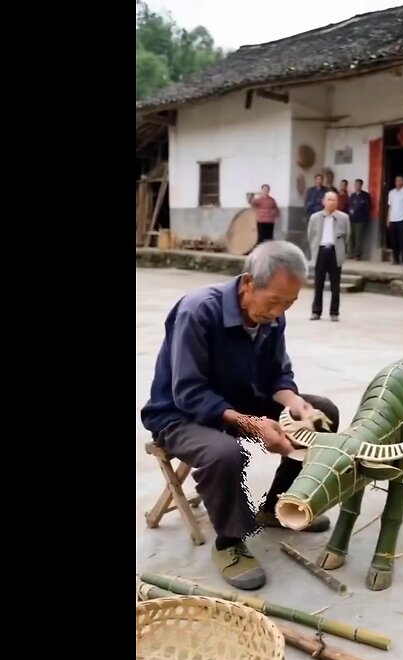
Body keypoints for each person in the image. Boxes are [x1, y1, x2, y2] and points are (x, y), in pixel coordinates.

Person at [140, 240, 339, 591]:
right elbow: (188, 392)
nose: (278, 312)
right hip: (179, 414)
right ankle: (229, 543)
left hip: (241, 400)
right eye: (273, 301)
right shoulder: (197, 311)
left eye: (289, 303)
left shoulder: (273, 319)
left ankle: (277, 506)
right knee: (225, 453)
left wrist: (294, 402)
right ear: (247, 283)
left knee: (322, 413)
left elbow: (277, 375)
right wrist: (251, 423)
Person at [308, 191, 349, 322]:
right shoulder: (315, 217)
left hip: (334, 251)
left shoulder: (343, 218)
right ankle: (316, 311)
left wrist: (342, 250)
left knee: (335, 285)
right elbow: (311, 235)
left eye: (334, 200)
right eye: (329, 200)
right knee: (318, 283)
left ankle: (334, 312)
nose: (331, 202)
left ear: (337, 202)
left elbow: (347, 237)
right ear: (323, 202)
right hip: (320, 251)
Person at [385, 175, 403, 265]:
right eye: (396, 180)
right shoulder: (391, 192)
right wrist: (388, 219)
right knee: (393, 241)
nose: (398, 182)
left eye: (400, 180)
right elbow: (390, 207)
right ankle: (395, 259)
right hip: (393, 219)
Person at [348, 179, 372, 260]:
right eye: (355, 184)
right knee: (352, 237)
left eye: (358, 184)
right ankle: (351, 253)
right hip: (352, 219)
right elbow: (349, 205)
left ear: (361, 185)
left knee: (359, 238)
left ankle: (357, 255)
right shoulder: (352, 196)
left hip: (361, 220)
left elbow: (368, 208)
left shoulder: (365, 196)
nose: (357, 186)